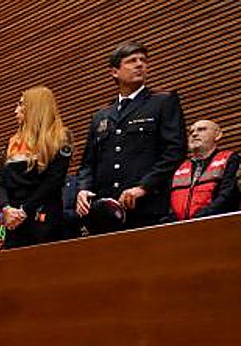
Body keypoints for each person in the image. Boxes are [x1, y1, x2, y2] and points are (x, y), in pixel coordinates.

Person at [75, 41, 186, 231]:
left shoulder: (162, 103)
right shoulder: (101, 115)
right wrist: (83, 189)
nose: (140, 64)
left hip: (148, 207)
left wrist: (143, 187)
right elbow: (88, 164)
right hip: (106, 213)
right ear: (114, 72)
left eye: (143, 60)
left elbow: (175, 152)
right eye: (131, 61)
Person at [0, 86, 73, 249]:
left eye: (21, 105)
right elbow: (2, 183)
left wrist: (24, 211)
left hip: (43, 217)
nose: (15, 111)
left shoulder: (60, 138)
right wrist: (6, 208)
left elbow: (53, 181)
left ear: (35, 107)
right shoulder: (12, 142)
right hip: (13, 220)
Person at [168, 120, 240, 221]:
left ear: (217, 135)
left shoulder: (229, 158)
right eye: (191, 132)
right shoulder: (180, 167)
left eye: (201, 129)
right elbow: (170, 204)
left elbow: (228, 196)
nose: (194, 134)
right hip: (181, 227)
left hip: (217, 223)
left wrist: (198, 219)